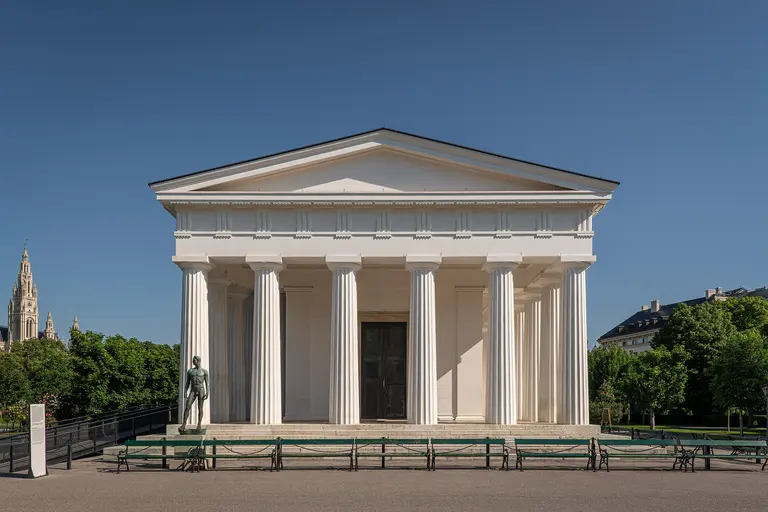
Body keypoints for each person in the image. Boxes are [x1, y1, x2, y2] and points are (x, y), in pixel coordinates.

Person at [179, 355, 208, 433]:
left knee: (200, 408)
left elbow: (207, 383)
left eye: (194, 360)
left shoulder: (204, 371)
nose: (193, 361)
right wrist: (185, 391)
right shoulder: (190, 371)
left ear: (198, 361)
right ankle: (183, 424)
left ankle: (199, 425)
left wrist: (207, 392)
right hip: (193, 390)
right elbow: (187, 382)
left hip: (201, 389)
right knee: (187, 406)